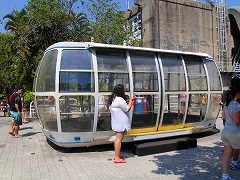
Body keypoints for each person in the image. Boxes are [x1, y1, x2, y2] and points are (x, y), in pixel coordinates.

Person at [108, 84, 135, 164]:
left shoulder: (113, 98)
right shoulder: (120, 99)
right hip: (121, 124)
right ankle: (117, 158)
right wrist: (130, 101)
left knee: (117, 140)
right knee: (118, 140)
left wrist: (127, 102)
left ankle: (117, 155)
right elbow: (127, 109)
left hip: (115, 123)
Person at [221, 84, 240, 180]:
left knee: (226, 154)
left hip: (225, 131)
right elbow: (237, 121)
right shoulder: (236, 105)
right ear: (238, 93)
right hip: (234, 131)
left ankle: (225, 176)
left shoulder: (226, 104)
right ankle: (235, 163)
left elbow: (223, 117)